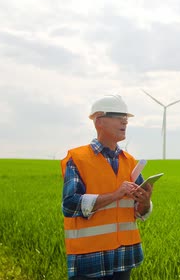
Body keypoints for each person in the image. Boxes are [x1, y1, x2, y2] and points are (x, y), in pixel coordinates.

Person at [61, 95, 153, 280]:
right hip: (90, 257)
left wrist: (145, 202)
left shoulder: (130, 162)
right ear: (99, 121)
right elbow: (69, 205)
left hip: (124, 257)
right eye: (117, 115)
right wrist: (115, 194)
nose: (125, 120)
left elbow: (138, 211)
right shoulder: (78, 159)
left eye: (126, 117)